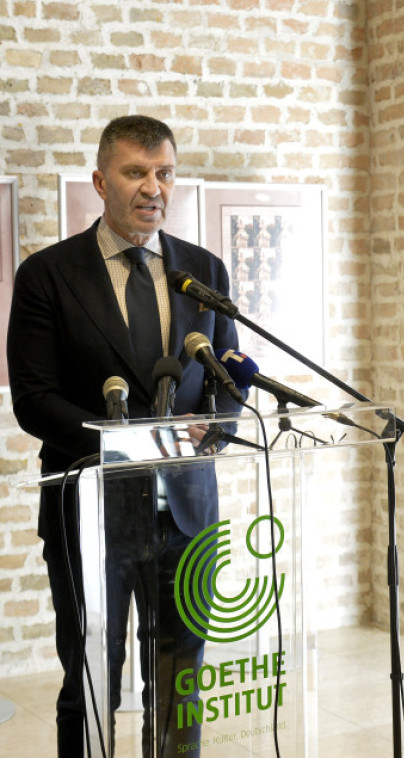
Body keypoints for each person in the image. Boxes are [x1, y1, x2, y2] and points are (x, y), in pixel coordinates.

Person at [7, 115, 244, 757]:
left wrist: (216, 431)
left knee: (180, 684)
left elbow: (230, 381)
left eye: (164, 172)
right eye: (135, 172)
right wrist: (127, 445)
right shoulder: (48, 275)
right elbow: (34, 400)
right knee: (91, 685)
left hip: (186, 514)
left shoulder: (204, 270)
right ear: (100, 182)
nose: (153, 187)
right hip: (90, 515)